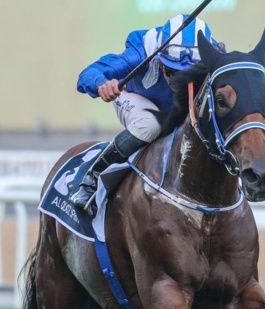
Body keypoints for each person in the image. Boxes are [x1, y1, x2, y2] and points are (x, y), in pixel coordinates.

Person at [69, 14, 223, 214]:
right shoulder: (141, 51)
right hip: (137, 98)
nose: (180, 82)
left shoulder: (214, 55)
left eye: (190, 74)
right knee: (150, 124)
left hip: (177, 109)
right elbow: (87, 74)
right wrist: (102, 84)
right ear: (160, 60)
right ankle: (92, 179)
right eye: (173, 72)